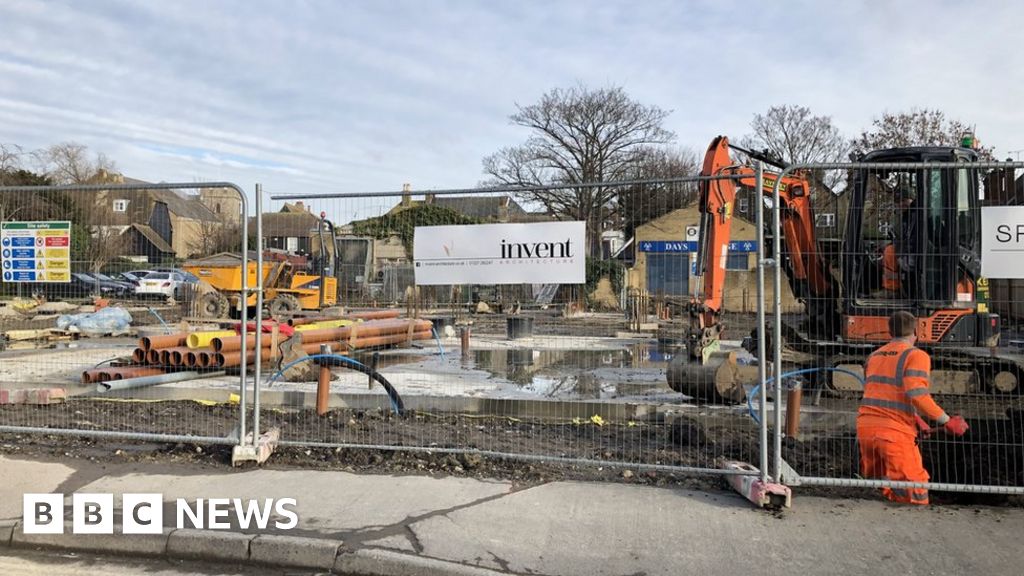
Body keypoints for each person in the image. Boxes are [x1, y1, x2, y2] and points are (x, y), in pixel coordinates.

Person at [857, 311, 969, 504]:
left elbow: (883, 394)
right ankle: (917, 523)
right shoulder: (916, 355)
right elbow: (916, 393)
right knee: (915, 488)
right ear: (916, 331)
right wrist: (947, 421)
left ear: (890, 332)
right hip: (893, 433)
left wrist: (918, 422)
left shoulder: (874, 355)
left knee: (880, 486)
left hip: (866, 429)